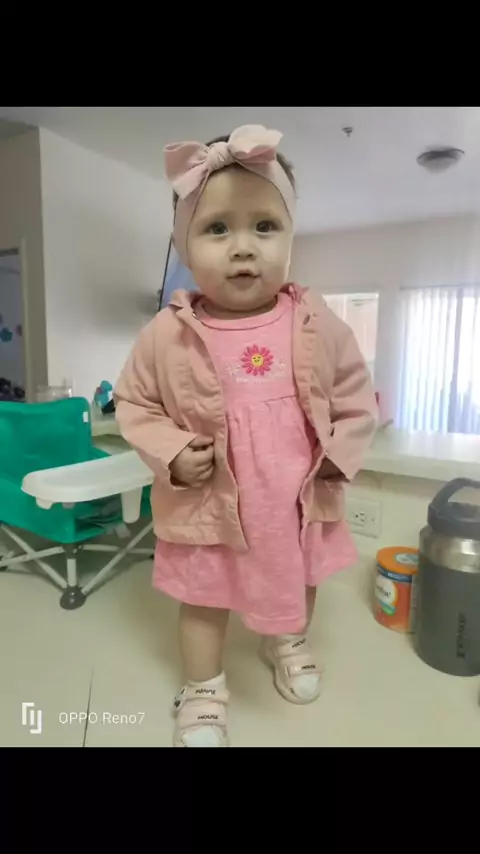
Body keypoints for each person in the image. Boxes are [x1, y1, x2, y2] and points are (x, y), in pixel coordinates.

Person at [115, 124, 377, 747]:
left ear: (290, 236)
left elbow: (356, 396)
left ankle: (287, 640)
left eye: (265, 226)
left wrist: (340, 453)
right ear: (183, 244)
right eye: (216, 229)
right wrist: (172, 452)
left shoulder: (317, 323)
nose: (243, 248)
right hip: (209, 504)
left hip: (293, 505)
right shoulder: (166, 333)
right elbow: (135, 403)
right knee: (204, 600)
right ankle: (203, 688)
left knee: (299, 581)